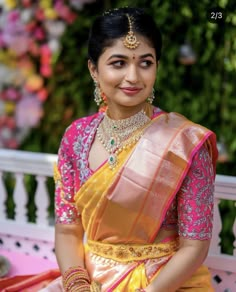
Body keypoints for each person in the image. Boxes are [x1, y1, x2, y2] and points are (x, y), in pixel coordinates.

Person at [45, 7, 218, 292]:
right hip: (91, 278)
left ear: (157, 66)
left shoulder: (184, 143)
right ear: (93, 69)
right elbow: (67, 229)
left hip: (164, 283)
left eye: (145, 63)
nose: (134, 77)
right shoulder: (76, 137)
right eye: (118, 63)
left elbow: (194, 246)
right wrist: (77, 284)